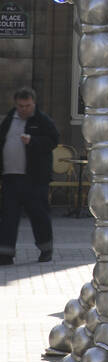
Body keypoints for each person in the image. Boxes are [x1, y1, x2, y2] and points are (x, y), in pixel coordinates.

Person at [0, 86, 59, 264]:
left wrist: (33, 141)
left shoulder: (42, 120)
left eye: (27, 106)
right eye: (20, 106)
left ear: (33, 103)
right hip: (11, 177)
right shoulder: (9, 119)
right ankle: (5, 253)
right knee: (8, 218)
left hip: (34, 179)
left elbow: (53, 140)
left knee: (39, 215)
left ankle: (46, 249)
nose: (24, 109)